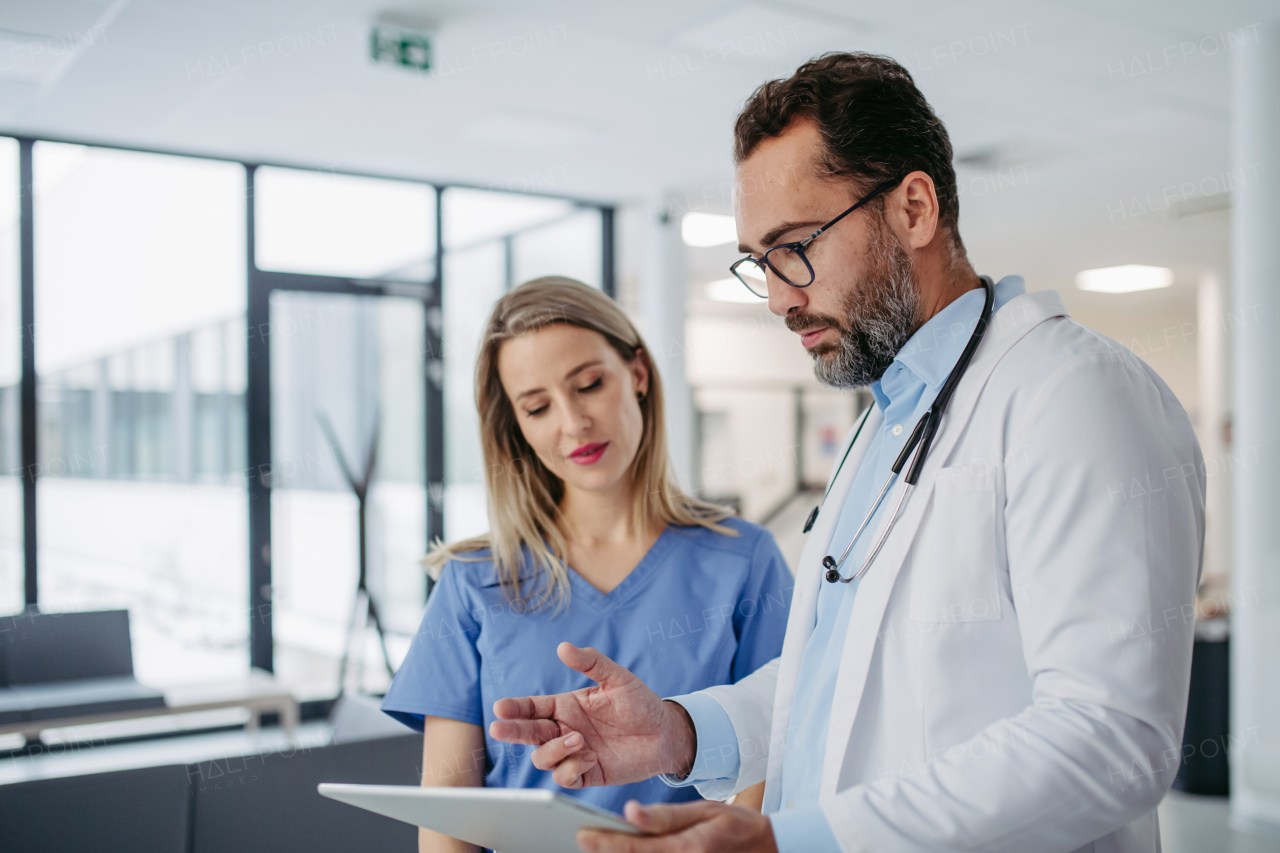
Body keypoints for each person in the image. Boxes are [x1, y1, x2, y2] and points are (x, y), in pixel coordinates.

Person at [489, 54, 1205, 853]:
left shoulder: (1073, 394)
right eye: (760, 261)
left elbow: (1110, 738)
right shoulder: (885, 420)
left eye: (796, 246)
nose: (778, 298)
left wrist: (798, 839)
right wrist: (682, 731)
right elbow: (839, 680)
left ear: (914, 208)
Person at [381, 276, 794, 853]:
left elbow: (774, 757)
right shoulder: (475, 578)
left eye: (590, 384)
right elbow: (449, 817)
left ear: (639, 374)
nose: (573, 423)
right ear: (518, 427)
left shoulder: (743, 558)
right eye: (538, 406)